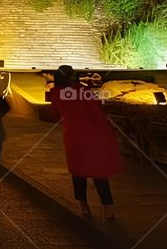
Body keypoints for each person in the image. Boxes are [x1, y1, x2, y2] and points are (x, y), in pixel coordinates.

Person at [48, 65, 122, 220]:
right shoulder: (82, 91)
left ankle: (83, 205)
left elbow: (56, 115)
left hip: (73, 136)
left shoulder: (55, 93)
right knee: (99, 171)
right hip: (93, 135)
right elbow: (97, 113)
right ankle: (108, 208)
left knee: (78, 171)